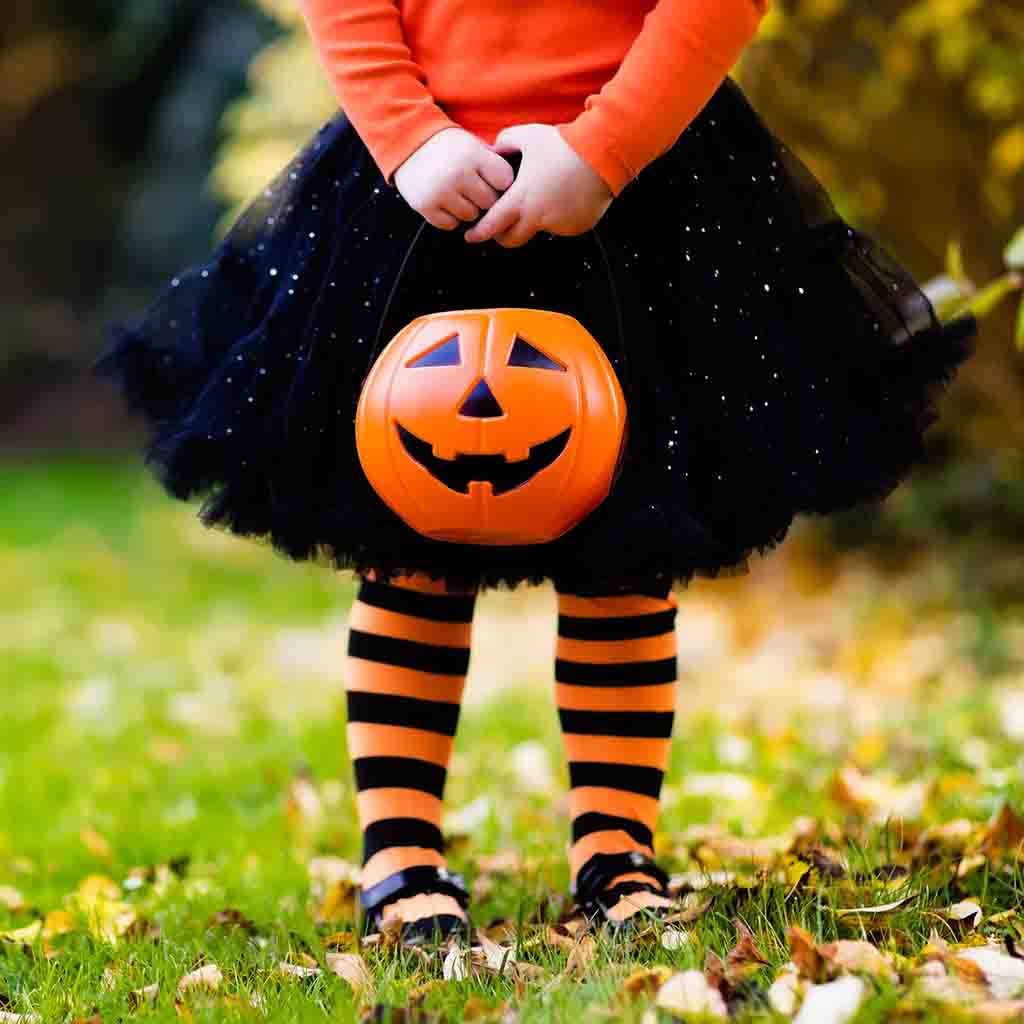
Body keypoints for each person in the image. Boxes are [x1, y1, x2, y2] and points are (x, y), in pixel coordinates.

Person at [96, 0, 977, 946]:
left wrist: (605, 147)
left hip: (644, 188)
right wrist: (407, 135)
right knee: (410, 536)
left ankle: (617, 848)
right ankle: (399, 853)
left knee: (628, 544)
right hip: (424, 183)